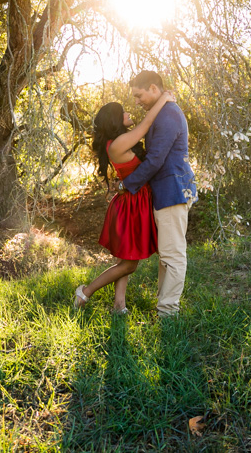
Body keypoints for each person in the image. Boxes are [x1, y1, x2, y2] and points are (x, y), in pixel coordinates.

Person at [74, 90, 175, 314]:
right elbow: (147, 123)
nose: (129, 112)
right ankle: (85, 292)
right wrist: (164, 99)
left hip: (133, 203)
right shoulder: (118, 143)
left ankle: (119, 305)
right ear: (115, 119)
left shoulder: (117, 141)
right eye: (123, 112)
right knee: (129, 264)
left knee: (125, 261)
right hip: (131, 206)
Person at [118, 71, 196, 317]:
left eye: (139, 95)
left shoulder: (169, 115)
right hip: (166, 191)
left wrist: (127, 184)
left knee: (173, 254)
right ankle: (164, 306)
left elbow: (155, 160)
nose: (137, 101)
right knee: (167, 254)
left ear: (153, 88)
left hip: (173, 190)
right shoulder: (162, 112)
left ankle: (168, 313)